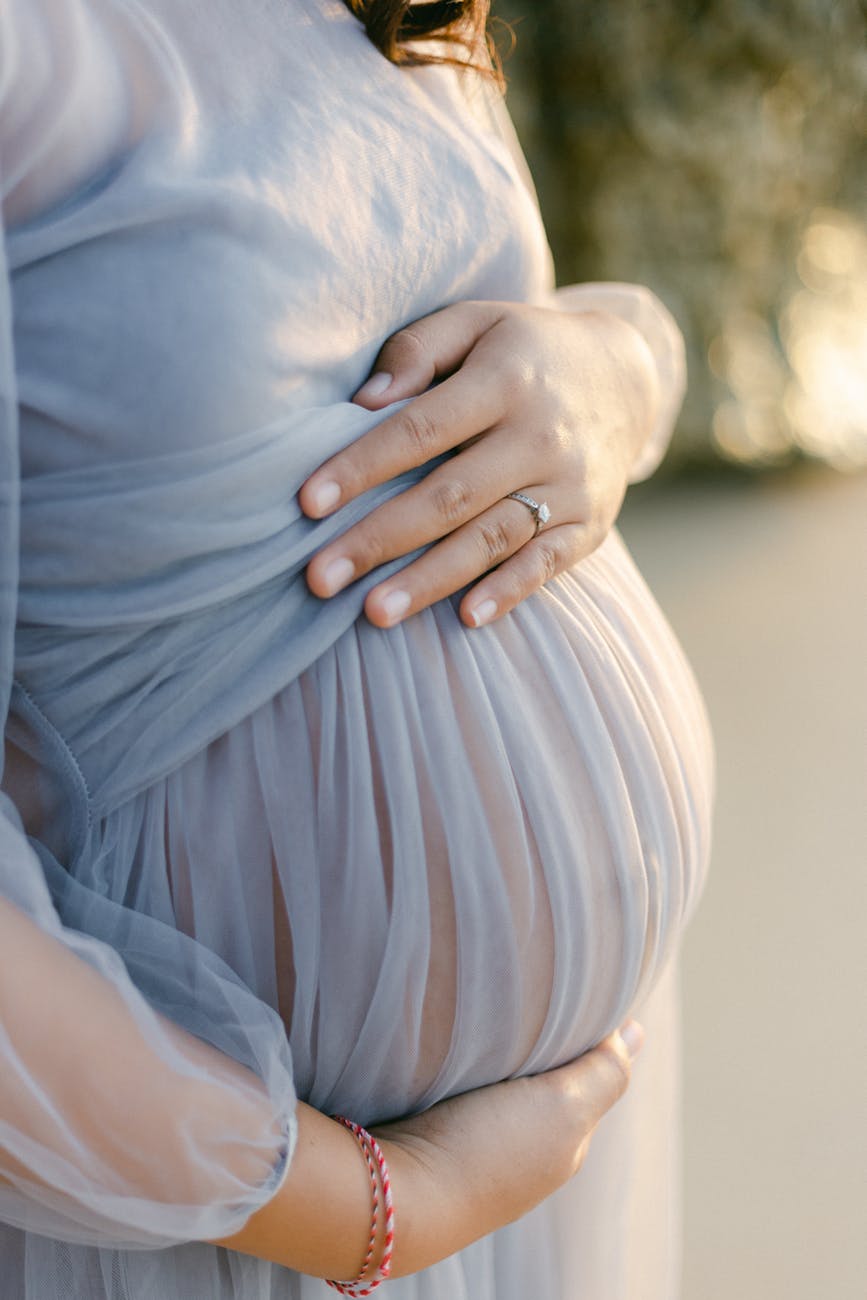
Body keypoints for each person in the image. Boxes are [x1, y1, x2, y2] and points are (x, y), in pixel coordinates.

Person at [0, 1, 714, 1297]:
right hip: (214, 1212)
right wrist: (377, 1207)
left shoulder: (387, 7)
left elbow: (513, 347)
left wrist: (620, 367)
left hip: (512, 1179)